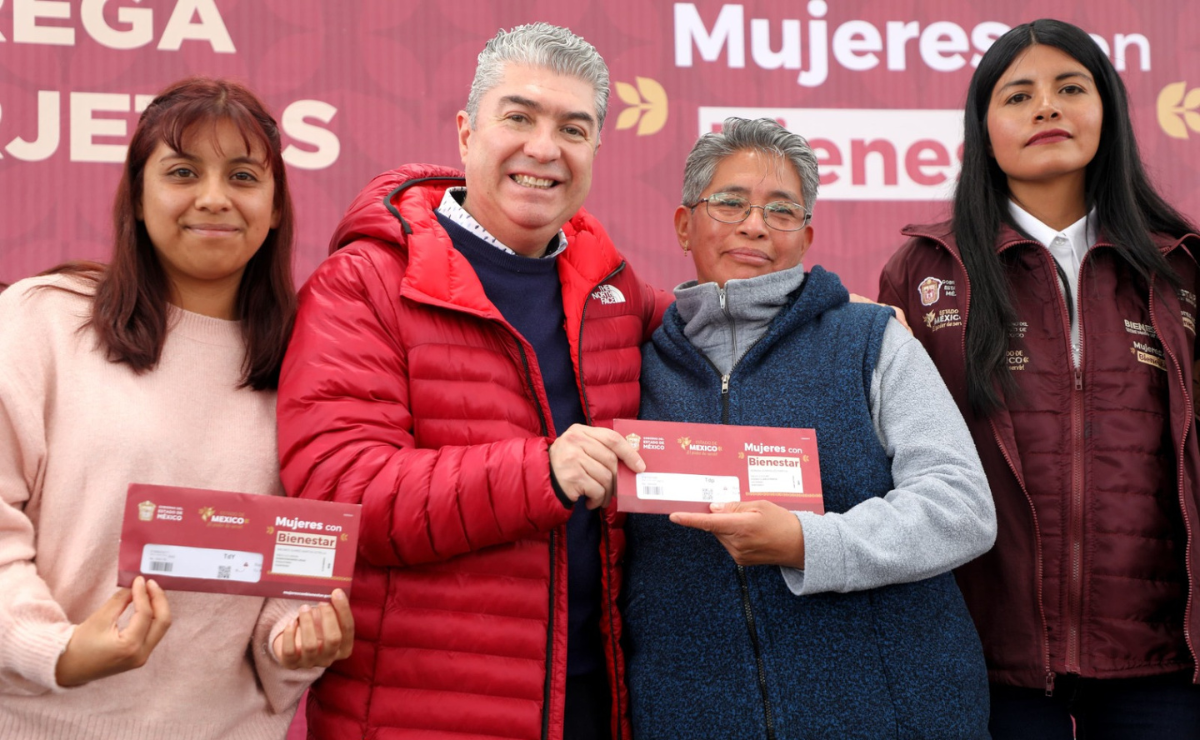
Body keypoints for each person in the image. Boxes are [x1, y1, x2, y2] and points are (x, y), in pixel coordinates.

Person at [276, 23, 669, 740]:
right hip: (418, 715)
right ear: (466, 133)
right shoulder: (364, 281)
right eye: (519, 117)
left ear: (595, 150)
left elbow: (710, 328)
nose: (544, 148)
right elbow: (339, 494)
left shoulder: (610, 285)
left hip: (592, 704)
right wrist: (542, 472)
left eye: (572, 129)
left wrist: (839, 313)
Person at [0, 77, 353, 740]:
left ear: (276, 206)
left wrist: (295, 639)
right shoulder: (40, 321)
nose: (214, 198)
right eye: (183, 172)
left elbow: (298, 561)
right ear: (137, 196)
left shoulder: (316, 360)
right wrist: (57, 651)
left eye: (243, 176)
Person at [620, 117, 995, 739]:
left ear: (806, 236)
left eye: (781, 210)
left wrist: (807, 543)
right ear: (685, 224)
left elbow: (961, 507)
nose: (755, 225)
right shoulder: (633, 362)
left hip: (893, 716)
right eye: (730, 203)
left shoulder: (870, 340)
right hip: (693, 716)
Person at [879, 18, 1200, 739]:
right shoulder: (926, 270)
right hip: (985, 654)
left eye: (1070, 88)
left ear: (1108, 112)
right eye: (1019, 95)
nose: (1047, 107)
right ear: (983, 131)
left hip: (1162, 659)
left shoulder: (1181, 268)